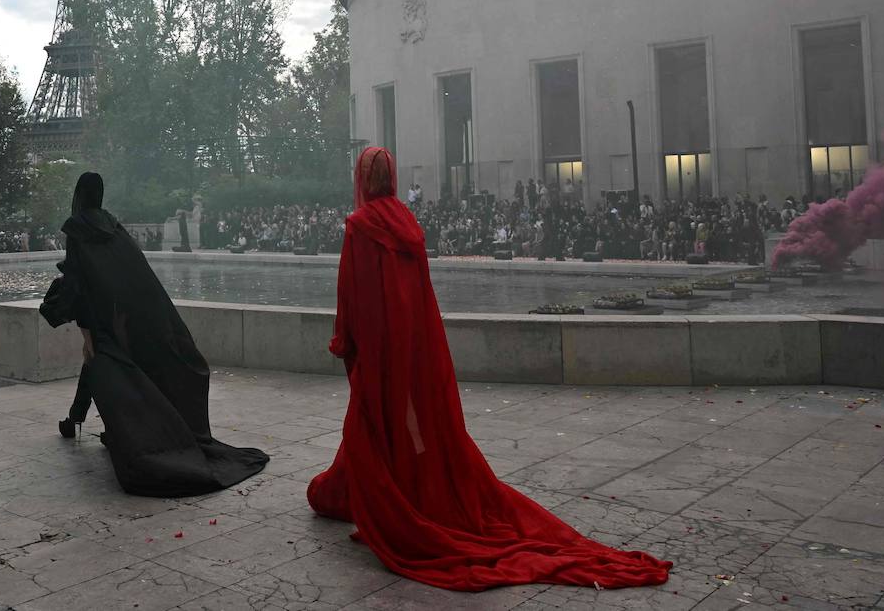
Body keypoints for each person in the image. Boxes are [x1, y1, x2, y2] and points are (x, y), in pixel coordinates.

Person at [307, 147, 671, 591]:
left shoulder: (360, 226)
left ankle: (385, 506)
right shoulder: (409, 225)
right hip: (415, 348)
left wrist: (344, 342)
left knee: (377, 423)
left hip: (381, 350)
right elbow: (420, 296)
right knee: (410, 427)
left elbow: (351, 292)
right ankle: (384, 494)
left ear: (361, 179)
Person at [52, 172, 269, 497]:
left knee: (100, 365)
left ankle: (87, 423)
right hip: (128, 315)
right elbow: (132, 272)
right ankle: (74, 420)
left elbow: (78, 283)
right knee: (102, 366)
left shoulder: (77, 229)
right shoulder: (113, 226)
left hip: (101, 316)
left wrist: (86, 332)